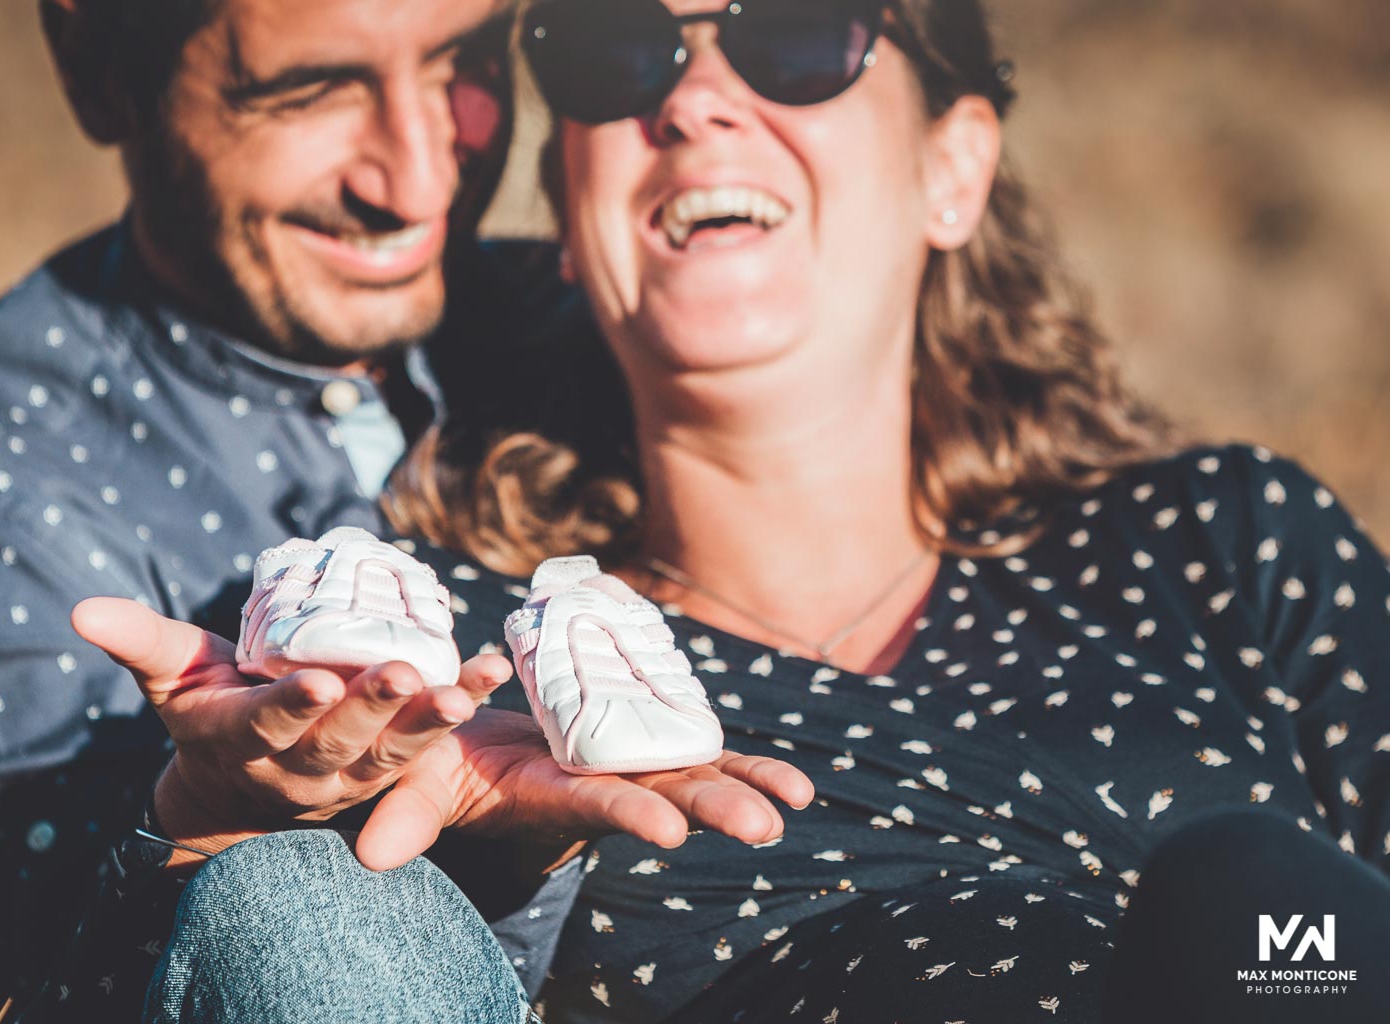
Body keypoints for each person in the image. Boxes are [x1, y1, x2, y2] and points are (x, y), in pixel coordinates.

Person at [83, 0, 1390, 1019]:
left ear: (956, 166)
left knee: (1252, 907)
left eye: (799, 34)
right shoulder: (454, 676)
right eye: (615, 50)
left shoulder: (1220, 541)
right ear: (568, 195)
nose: (699, 98)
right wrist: (224, 827)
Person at [0, 0, 810, 1020]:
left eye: (461, 60)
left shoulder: (590, 317)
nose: (419, 177)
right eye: (307, 90)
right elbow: (20, 994)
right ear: (97, 72)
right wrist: (203, 825)